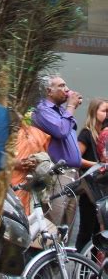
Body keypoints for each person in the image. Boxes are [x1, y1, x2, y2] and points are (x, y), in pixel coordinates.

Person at [32, 75, 82, 235]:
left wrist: (69, 109)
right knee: (53, 223)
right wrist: (72, 106)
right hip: (58, 174)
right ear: (49, 91)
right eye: (61, 86)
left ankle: (60, 258)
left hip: (72, 174)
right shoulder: (42, 110)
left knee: (66, 227)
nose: (66, 89)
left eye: (66, 85)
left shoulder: (62, 111)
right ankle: (47, 259)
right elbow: (60, 131)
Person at [75, 99, 108, 251]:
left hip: (101, 188)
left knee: (98, 232)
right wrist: (98, 166)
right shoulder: (86, 133)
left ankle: (93, 269)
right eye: (105, 111)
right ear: (94, 112)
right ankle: (79, 263)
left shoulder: (104, 133)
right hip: (90, 189)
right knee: (86, 229)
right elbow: (77, 159)